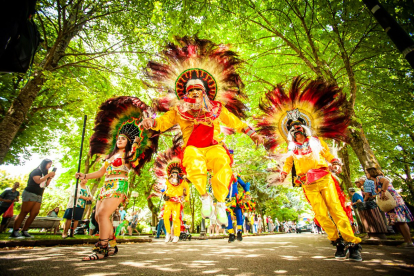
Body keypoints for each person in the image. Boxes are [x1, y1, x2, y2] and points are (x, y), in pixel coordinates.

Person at [142, 37, 264, 227]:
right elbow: (162, 122)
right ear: (185, 94)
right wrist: (151, 122)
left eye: (199, 90)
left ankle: (221, 203)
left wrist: (252, 133)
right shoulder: (178, 111)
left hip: (213, 147)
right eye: (191, 91)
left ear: (206, 92)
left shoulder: (217, 108)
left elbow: (236, 122)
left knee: (223, 162)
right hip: (193, 148)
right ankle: (205, 197)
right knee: (191, 159)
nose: (196, 93)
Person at [258, 78, 362, 261]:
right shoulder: (291, 149)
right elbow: (288, 163)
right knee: (321, 213)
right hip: (307, 183)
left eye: (299, 128)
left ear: (305, 129)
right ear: (290, 133)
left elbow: (328, 155)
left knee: (336, 210)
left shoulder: (316, 142)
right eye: (292, 130)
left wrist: (335, 162)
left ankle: (353, 243)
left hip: (325, 178)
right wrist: (283, 173)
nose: (296, 131)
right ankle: (337, 242)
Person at [79, 96, 158, 260]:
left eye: (123, 138)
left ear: (128, 142)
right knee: (97, 216)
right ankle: (112, 245)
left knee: (102, 215)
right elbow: (100, 173)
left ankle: (101, 248)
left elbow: (135, 152)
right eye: (119, 138)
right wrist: (85, 175)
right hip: (105, 186)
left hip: (119, 185)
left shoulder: (130, 153)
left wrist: (137, 139)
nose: (120, 139)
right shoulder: (110, 155)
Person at [367, 168, 414, 247]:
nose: (367, 174)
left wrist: (383, 191)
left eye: (367, 173)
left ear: (371, 173)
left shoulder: (379, 178)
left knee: (400, 221)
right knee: (396, 221)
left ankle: (409, 241)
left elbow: (386, 181)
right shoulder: (375, 181)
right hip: (388, 203)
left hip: (394, 201)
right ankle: (405, 240)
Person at [10, 159, 55, 238]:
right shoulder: (36, 171)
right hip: (30, 193)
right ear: (44, 164)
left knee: (34, 213)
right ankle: (15, 231)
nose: (50, 166)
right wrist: (47, 176)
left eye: (51, 164)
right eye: (49, 164)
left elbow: (46, 184)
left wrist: (50, 177)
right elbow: (37, 181)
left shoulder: (45, 173)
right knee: (24, 212)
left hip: (39, 194)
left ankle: (24, 230)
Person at [226, 174, 253, 242]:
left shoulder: (236, 176)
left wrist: (247, 192)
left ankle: (239, 233)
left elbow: (244, 185)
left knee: (239, 214)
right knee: (227, 216)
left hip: (236, 200)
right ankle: (231, 234)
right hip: (227, 201)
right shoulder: (222, 175)